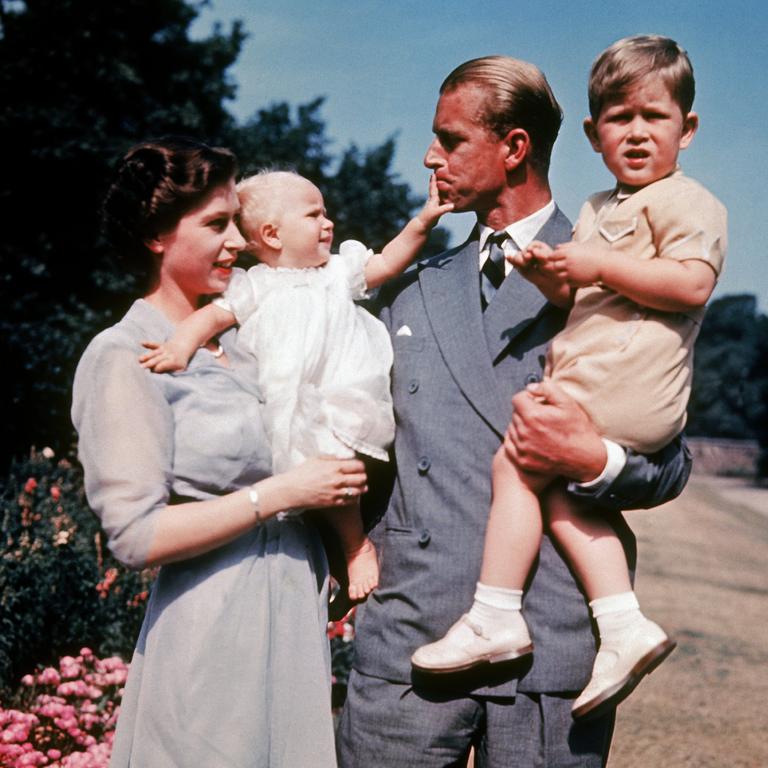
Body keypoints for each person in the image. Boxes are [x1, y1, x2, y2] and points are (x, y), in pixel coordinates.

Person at [337, 56, 692, 767]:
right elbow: (350, 441)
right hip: (411, 641)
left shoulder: (617, 271)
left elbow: (669, 463)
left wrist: (596, 461)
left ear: (515, 147)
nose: (430, 156)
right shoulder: (410, 290)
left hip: (551, 644)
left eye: (451, 138)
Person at [412, 36, 726, 721]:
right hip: (412, 624)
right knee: (546, 487)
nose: (637, 134)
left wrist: (592, 267)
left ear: (688, 129)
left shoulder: (684, 202)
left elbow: (692, 283)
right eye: (619, 120)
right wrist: (557, 281)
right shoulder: (594, 214)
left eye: (655, 118)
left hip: (624, 395)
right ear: (593, 133)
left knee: (520, 464)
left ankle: (498, 613)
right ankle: (622, 624)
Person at [72, 137, 369, 768]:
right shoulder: (125, 355)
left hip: (292, 615)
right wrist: (281, 494)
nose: (237, 241)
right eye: (216, 224)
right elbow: (135, 536)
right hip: (210, 634)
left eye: (238, 221)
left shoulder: (248, 347)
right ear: (157, 236)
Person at [138, 170, 451, 604]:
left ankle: (355, 545)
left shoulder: (338, 271)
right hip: (281, 401)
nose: (329, 223)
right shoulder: (255, 285)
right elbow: (211, 318)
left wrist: (423, 221)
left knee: (333, 468)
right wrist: (178, 345)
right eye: (314, 215)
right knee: (295, 484)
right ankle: (330, 566)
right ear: (271, 234)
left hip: (338, 397)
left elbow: (385, 263)